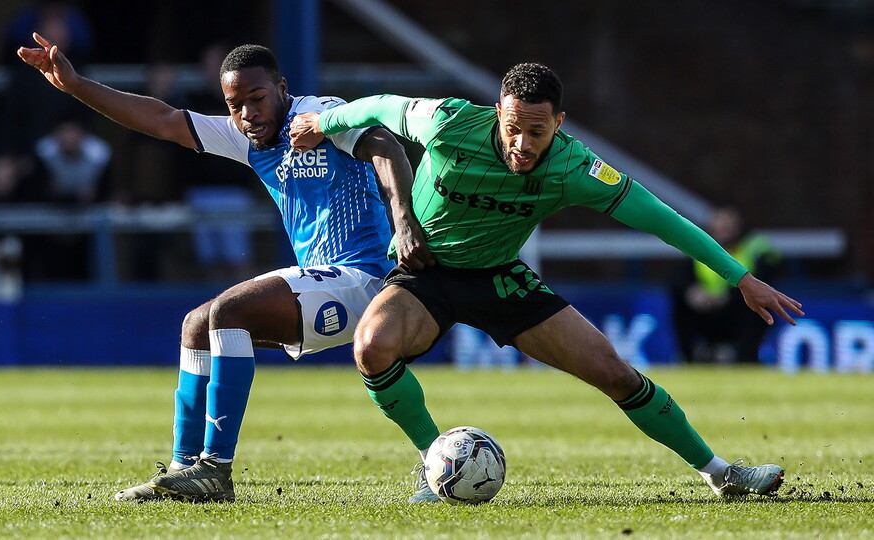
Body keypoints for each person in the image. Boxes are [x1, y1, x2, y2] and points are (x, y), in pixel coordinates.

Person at [289, 62, 805, 499]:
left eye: (537, 132)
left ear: (559, 122)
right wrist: (322, 121)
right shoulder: (447, 122)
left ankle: (721, 474)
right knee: (372, 348)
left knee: (615, 374)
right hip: (426, 273)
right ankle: (433, 462)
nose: (522, 143)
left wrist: (740, 278)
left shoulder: (574, 167)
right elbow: (379, 105)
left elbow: (662, 219)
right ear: (498, 111)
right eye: (513, 127)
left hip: (499, 277)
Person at [18, 35, 434, 502]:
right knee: (196, 325)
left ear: (282, 88)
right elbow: (162, 119)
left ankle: (215, 469)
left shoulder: (318, 113)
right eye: (235, 105)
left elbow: (385, 145)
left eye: (257, 98)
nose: (247, 114)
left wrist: (404, 220)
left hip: (364, 279)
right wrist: (75, 85)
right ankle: (184, 469)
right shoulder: (246, 137)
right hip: (324, 282)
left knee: (230, 310)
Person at [672, 204, 783, 364]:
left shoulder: (756, 246)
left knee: (755, 304)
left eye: (728, 224)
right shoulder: (699, 244)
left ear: (739, 225)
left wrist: (728, 297)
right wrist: (692, 292)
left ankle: (745, 358)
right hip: (707, 310)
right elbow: (679, 277)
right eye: (719, 223)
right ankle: (689, 359)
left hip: (738, 309)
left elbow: (766, 278)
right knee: (680, 301)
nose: (723, 229)